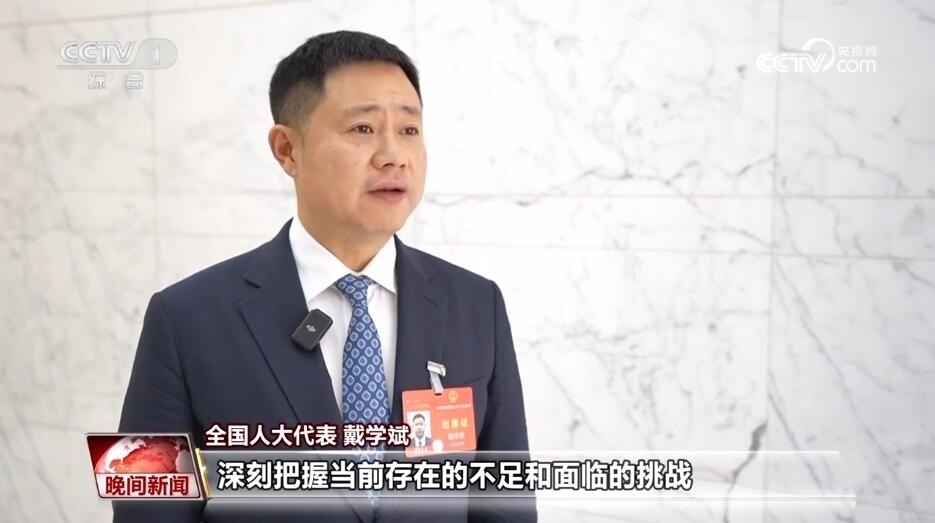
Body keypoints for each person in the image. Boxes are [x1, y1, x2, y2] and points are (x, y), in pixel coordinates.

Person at [114, 30, 534, 522]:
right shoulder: (183, 318)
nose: (393, 155)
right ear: (287, 150)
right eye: (362, 128)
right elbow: (143, 509)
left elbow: (507, 506)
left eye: (409, 130)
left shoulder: (477, 304)